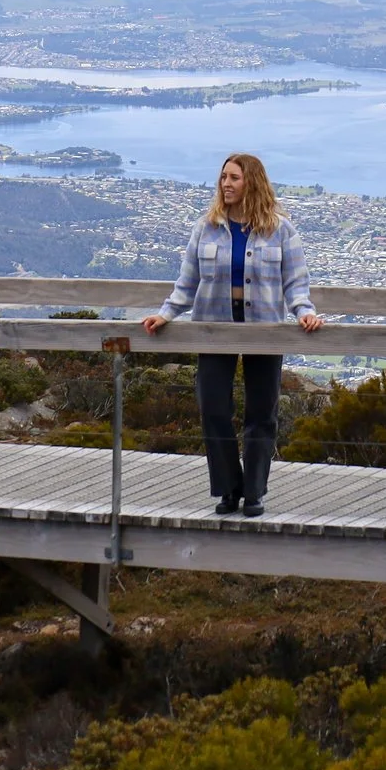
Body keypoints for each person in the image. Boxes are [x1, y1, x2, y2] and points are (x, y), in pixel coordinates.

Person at [142, 152, 323, 516]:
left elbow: (296, 284)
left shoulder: (280, 230)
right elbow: (187, 282)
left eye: (234, 178)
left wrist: (305, 313)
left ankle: (254, 492)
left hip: (264, 331)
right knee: (213, 408)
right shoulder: (205, 228)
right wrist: (166, 314)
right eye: (224, 176)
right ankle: (228, 489)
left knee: (262, 412)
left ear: (251, 182)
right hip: (214, 329)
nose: (226, 183)